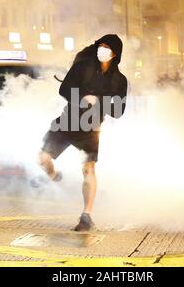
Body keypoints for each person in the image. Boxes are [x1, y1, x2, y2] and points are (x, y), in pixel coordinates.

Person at [37, 34, 128, 232]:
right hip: (66, 122)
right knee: (43, 158)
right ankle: (54, 175)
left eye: (107, 47)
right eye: (100, 45)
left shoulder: (119, 80)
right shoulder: (82, 67)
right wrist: (83, 98)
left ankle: (86, 216)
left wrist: (101, 103)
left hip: (91, 128)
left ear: (115, 54)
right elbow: (64, 90)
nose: (101, 50)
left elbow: (119, 111)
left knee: (88, 170)